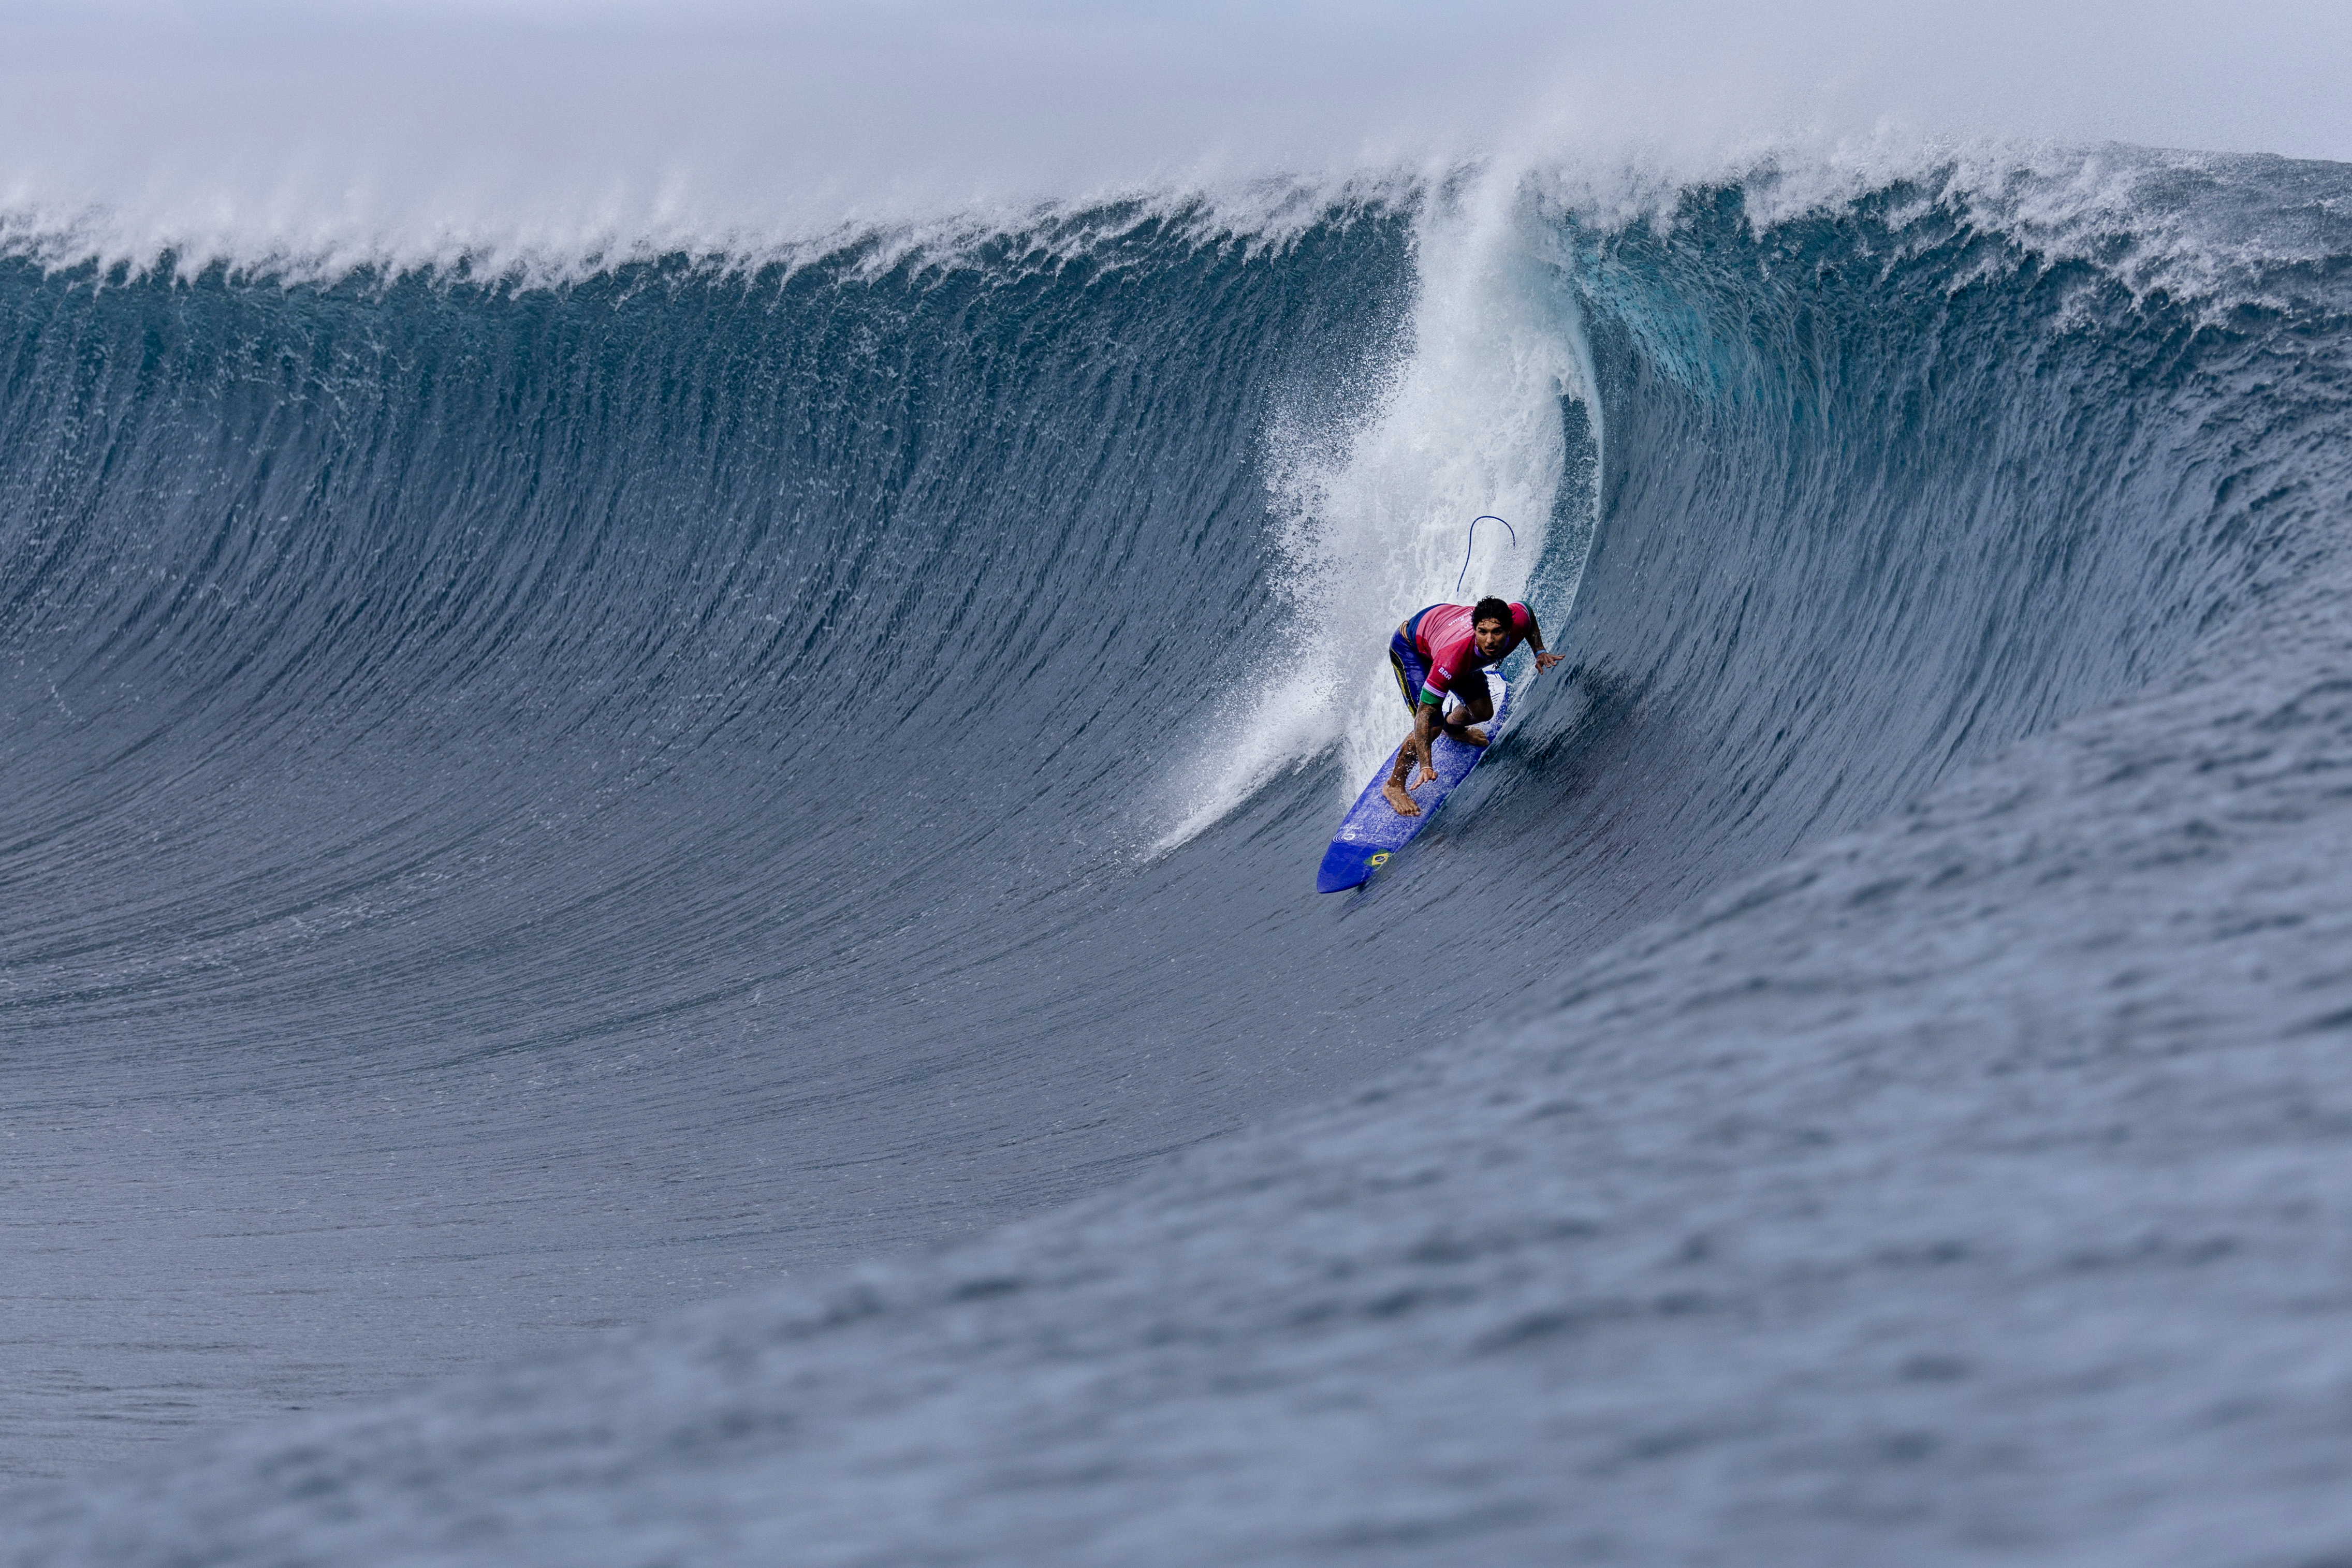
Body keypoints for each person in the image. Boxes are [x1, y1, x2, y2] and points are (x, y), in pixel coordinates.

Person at [1383, 595, 1561, 816]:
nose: (1490, 641)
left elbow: (1528, 611)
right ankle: (1394, 785)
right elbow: (1424, 716)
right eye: (1482, 632)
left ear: (1509, 628)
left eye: (1497, 632)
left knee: (1483, 712)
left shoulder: (1519, 620)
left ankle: (1453, 728)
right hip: (1411, 646)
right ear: (1474, 629)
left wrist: (1539, 651)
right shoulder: (1452, 658)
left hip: (1441, 631)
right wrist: (1426, 765)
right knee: (1432, 726)